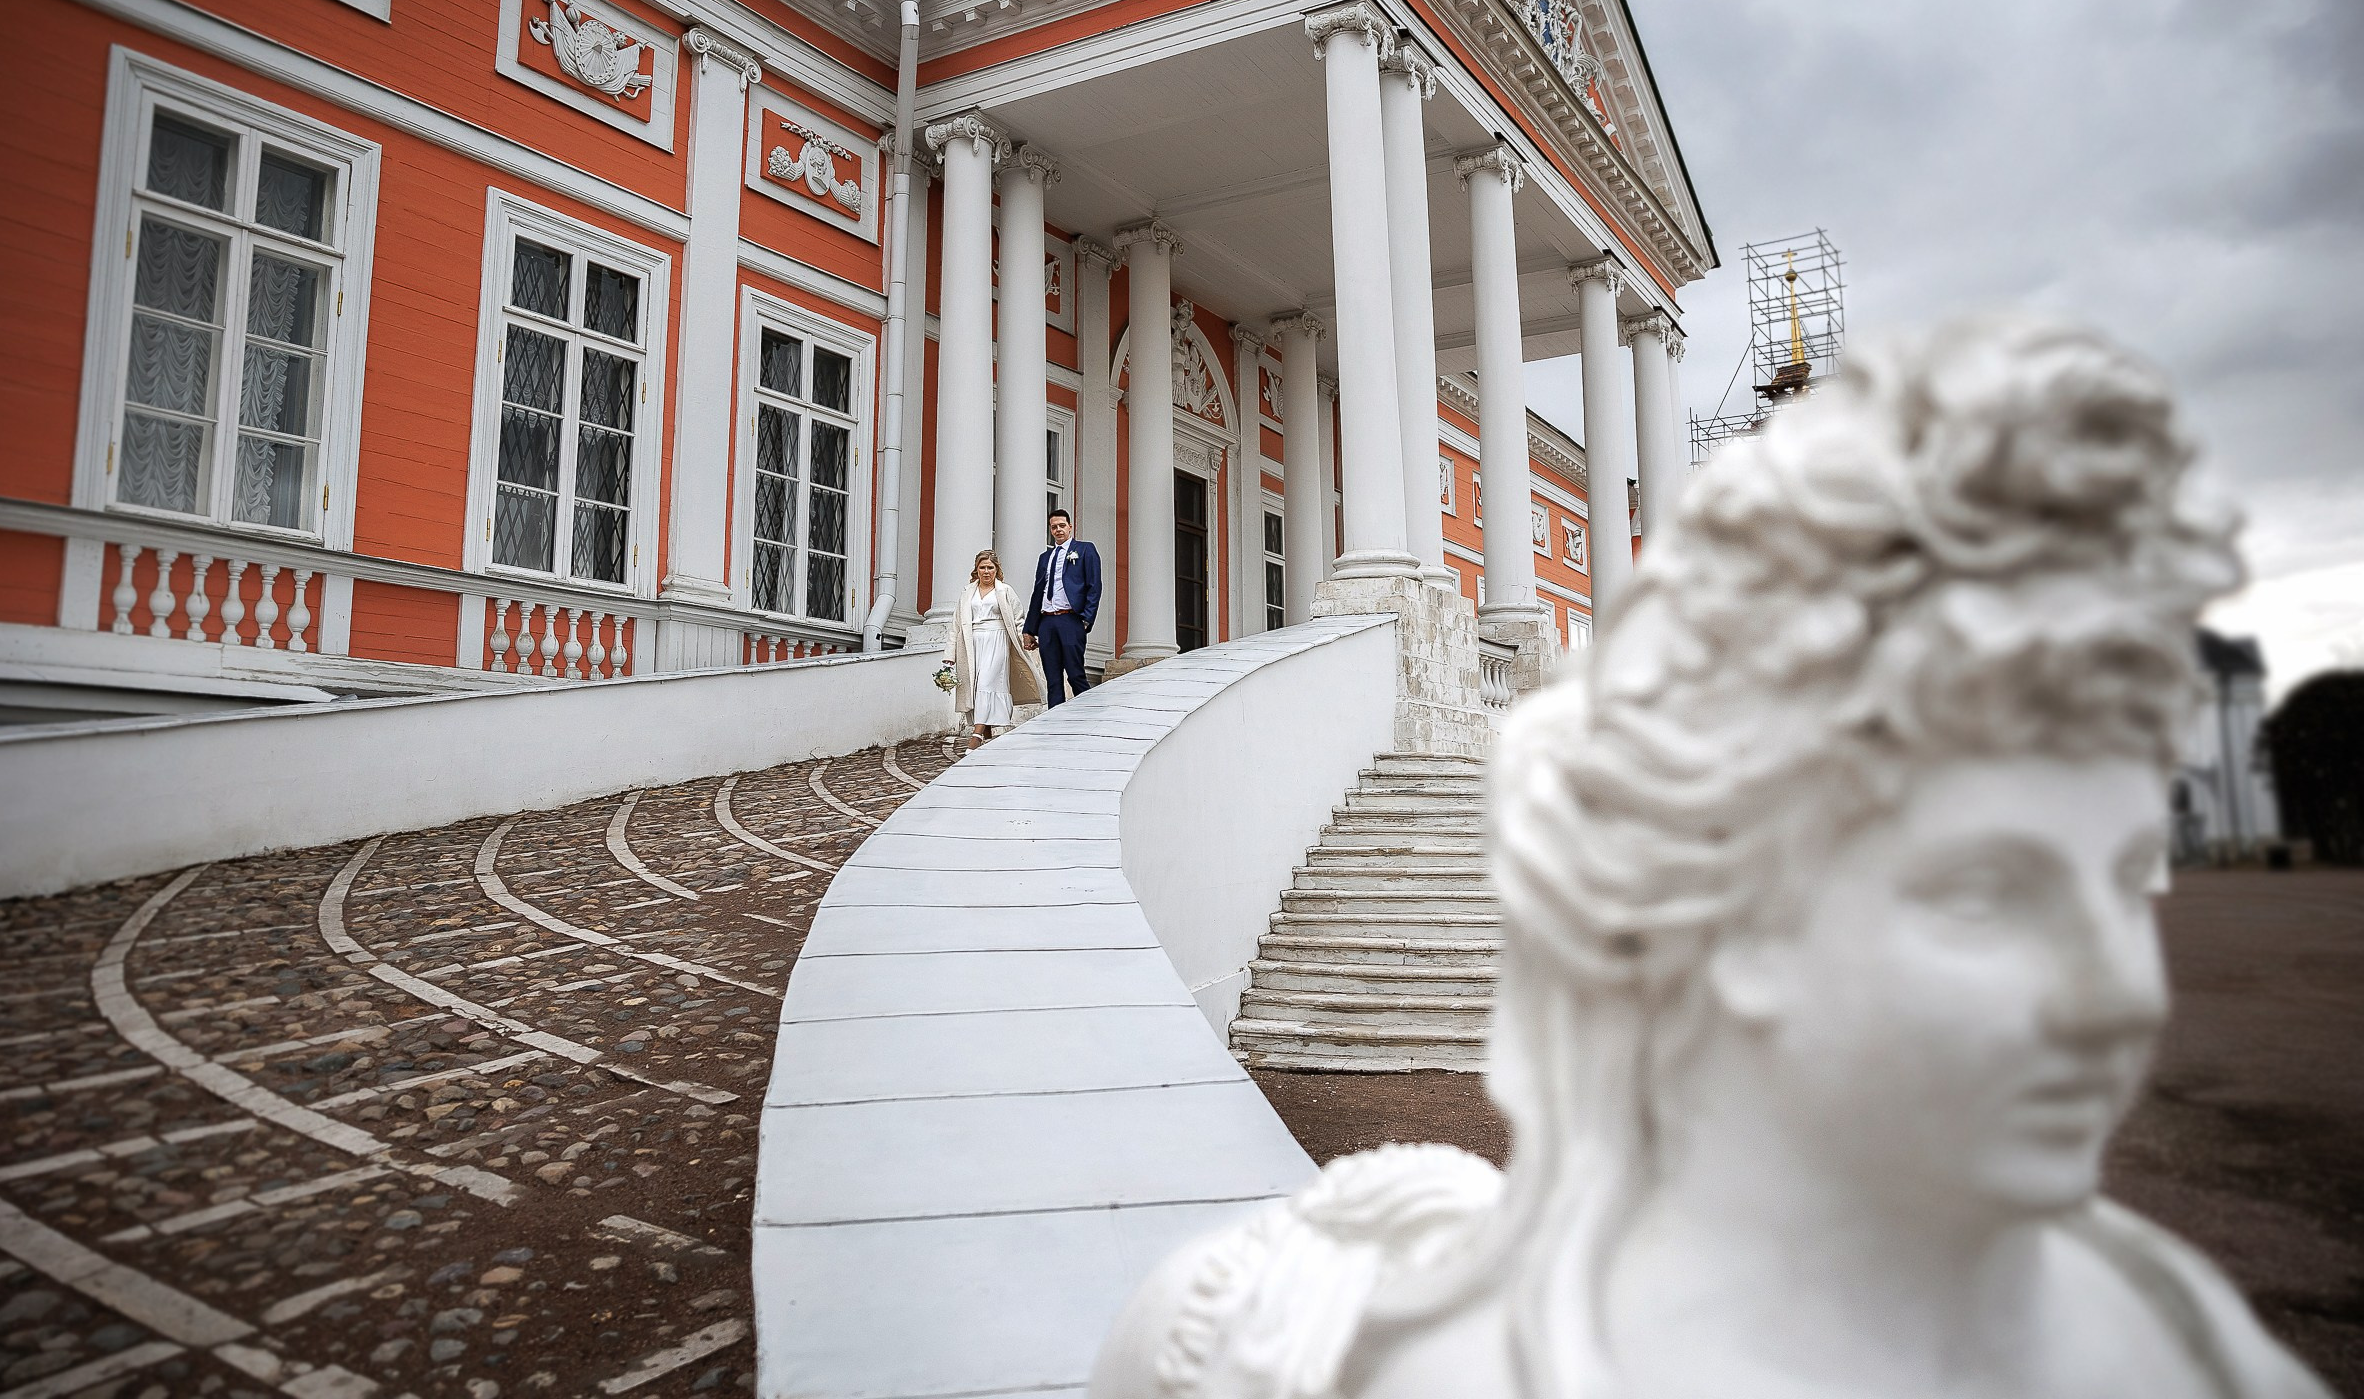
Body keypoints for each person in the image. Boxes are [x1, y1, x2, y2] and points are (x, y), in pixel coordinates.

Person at [1093, 318, 2331, 1399]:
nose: (2124, 995)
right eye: (1984, 892)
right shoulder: (1270, 1339)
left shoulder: (2168, 1350)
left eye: (2127, 881)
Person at [941, 550, 1041, 750]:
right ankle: (985, 734)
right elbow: (957, 625)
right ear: (976, 569)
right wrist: (950, 655)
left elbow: (1018, 619)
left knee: (987, 680)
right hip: (972, 643)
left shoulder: (1004, 591)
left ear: (997, 569)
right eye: (982, 567)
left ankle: (976, 735)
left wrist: (1028, 637)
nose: (986, 571)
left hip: (998, 639)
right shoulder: (967, 592)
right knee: (977, 687)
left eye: (990, 567)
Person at [1022, 508, 1102, 707]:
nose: (1058, 530)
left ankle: (1089, 712)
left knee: (1075, 674)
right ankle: (1054, 723)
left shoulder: (1085, 550)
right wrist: (1029, 629)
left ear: (1070, 527)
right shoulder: (1044, 557)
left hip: (1071, 619)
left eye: (1061, 526)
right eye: (1054, 527)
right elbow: (1037, 592)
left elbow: (1094, 586)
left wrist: (1086, 619)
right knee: (1053, 678)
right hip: (1047, 621)